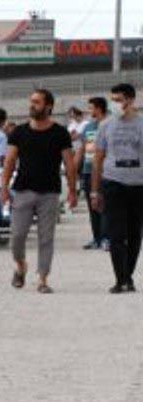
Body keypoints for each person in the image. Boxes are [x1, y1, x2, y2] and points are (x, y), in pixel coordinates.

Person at [0, 89, 76, 294]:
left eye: (36, 102)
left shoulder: (60, 133)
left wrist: (72, 190)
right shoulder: (19, 132)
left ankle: (42, 278)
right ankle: (21, 265)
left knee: (46, 238)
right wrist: (4, 188)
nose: (32, 105)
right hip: (23, 190)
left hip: (50, 193)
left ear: (48, 106)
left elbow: (69, 163)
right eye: (31, 101)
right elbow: (9, 162)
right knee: (17, 236)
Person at [91, 83, 143, 293]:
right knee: (115, 233)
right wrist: (95, 190)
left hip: (139, 184)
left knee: (134, 233)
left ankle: (128, 276)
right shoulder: (105, 125)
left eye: (118, 100)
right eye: (112, 100)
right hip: (113, 182)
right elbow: (98, 159)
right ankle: (120, 279)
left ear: (130, 100)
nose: (114, 104)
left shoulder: (141, 124)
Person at [76, 97, 109, 250]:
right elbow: (82, 149)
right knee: (92, 206)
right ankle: (96, 238)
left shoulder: (109, 125)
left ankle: (106, 238)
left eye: (91, 108)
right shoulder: (88, 127)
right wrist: (75, 169)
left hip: (104, 172)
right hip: (88, 171)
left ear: (98, 108)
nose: (89, 111)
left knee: (103, 205)